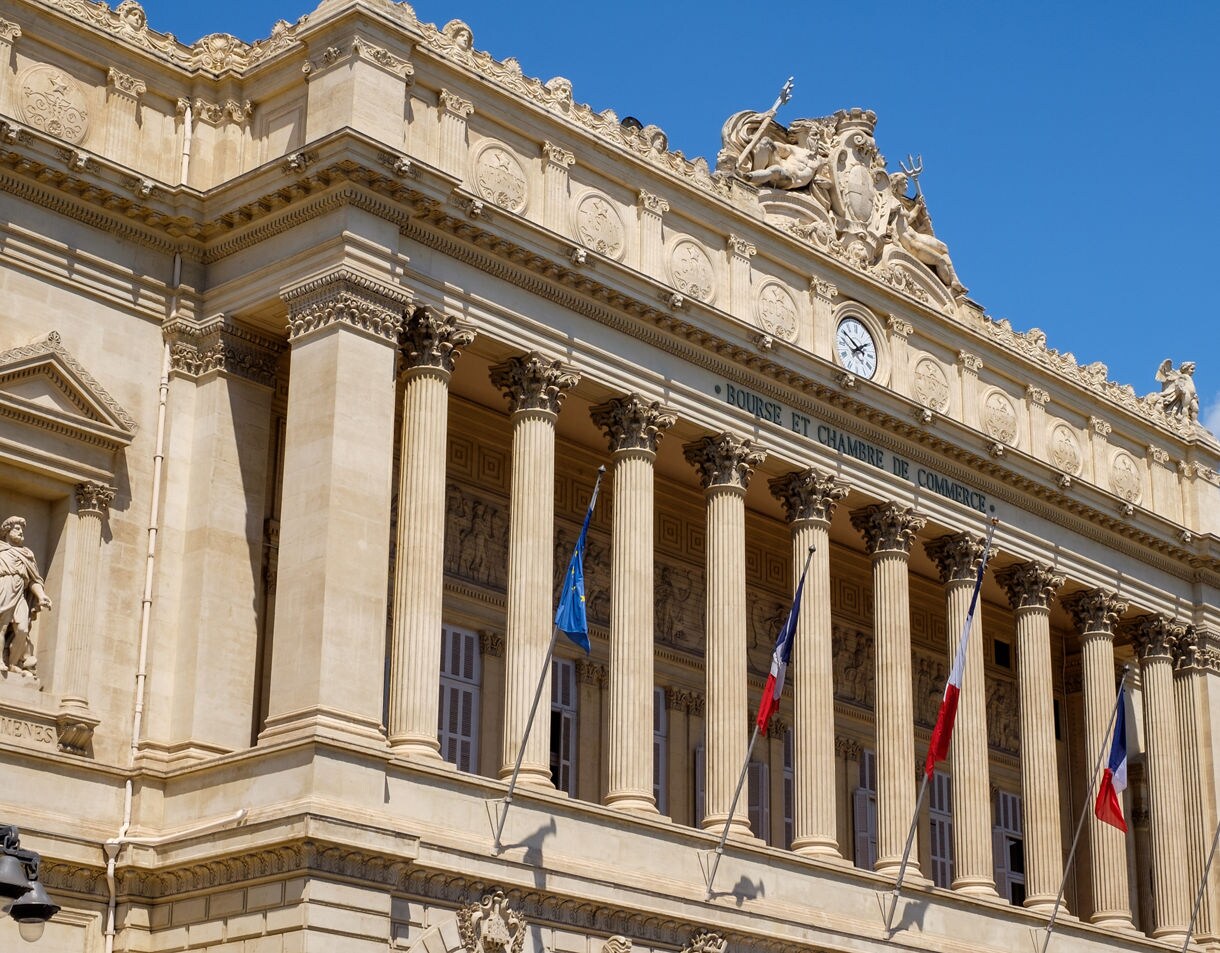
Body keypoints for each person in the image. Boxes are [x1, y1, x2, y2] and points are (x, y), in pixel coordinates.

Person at [885, 172, 965, 294]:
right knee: (941, 260)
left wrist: (918, 206)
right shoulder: (892, 202)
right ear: (896, 185)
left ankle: (954, 280)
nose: (906, 186)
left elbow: (909, 219)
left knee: (944, 247)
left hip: (916, 236)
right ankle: (948, 289)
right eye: (904, 183)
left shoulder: (900, 202)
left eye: (907, 183)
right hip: (911, 244)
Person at [0, 516, 52, 676]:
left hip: (20, 593)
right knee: (1, 627)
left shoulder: (27, 554)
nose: (21, 532)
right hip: (3, 588)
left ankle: (13, 663)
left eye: (22, 529)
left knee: (22, 629)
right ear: (7, 531)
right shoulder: (0, 550)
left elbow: (34, 580)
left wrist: (41, 595)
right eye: (17, 528)